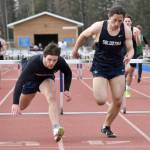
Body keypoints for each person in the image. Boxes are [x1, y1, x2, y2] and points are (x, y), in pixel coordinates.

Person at [72, 6, 134, 138]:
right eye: (114, 20)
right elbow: (83, 35)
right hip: (100, 66)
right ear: (109, 17)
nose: (117, 23)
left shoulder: (126, 30)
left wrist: (129, 55)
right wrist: (75, 49)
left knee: (118, 100)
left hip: (117, 67)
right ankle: (106, 121)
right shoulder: (99, 26)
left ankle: (106, 125)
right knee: (101, 100)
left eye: (120, 21)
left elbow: (131, 48)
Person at [11, 42, 72, 142]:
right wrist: (15, 103)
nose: (52, 63)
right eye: (49, 60)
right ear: (44, 56)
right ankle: (33, 92)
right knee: (21, 106)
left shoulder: (60, 61)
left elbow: (68, 73)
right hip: (31, 81)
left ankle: (56, 129)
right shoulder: (33, 63)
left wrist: (67, 89)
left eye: (54, 60)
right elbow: (20, 82)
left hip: (46, 79)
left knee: (51, 98)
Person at [124, 15, 141, 97]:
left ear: (131, 22)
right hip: (123, 53)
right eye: (126, 21)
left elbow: (138, 44)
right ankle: (122, 88)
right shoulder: (120, 29)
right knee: (124, 72)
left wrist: (136, 37)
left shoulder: (135, 30)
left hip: (133, 53)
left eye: (128, 21)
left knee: (130, 72)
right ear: (123, 22)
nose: (127, 22)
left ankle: (127, 89)